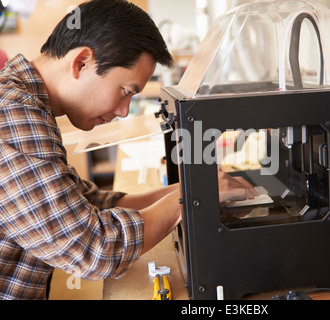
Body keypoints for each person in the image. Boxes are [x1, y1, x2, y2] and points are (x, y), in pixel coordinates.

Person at [0, 0, 256, 300]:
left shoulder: (29, 104)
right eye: (126, 92)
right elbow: (93, 249)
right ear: (82, 62)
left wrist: (187, 189)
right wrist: (192, 199)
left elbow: (86, 203)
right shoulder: (13, 113)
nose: (123, 111)